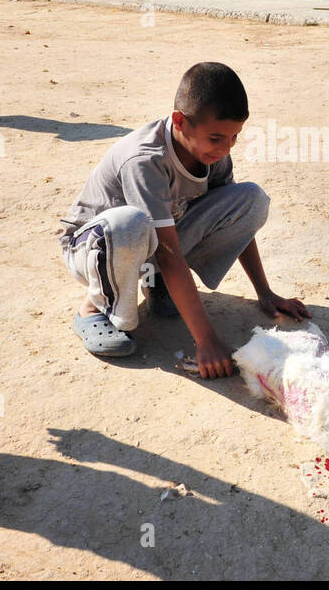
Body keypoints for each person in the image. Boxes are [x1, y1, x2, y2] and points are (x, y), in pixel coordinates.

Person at [59, 62, 310, 378]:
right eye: (217, 138)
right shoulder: (145, 160)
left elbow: (236, 220)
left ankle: (158, 282)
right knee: (132, 223)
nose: (226, 147)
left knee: (251, 200)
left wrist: (265, 292)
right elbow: (167, 251)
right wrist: (206, 340)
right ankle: (93, 308)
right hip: (92, 249)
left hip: (148, 246)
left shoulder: (211, 152)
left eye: (234, 138)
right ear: (179, 121)